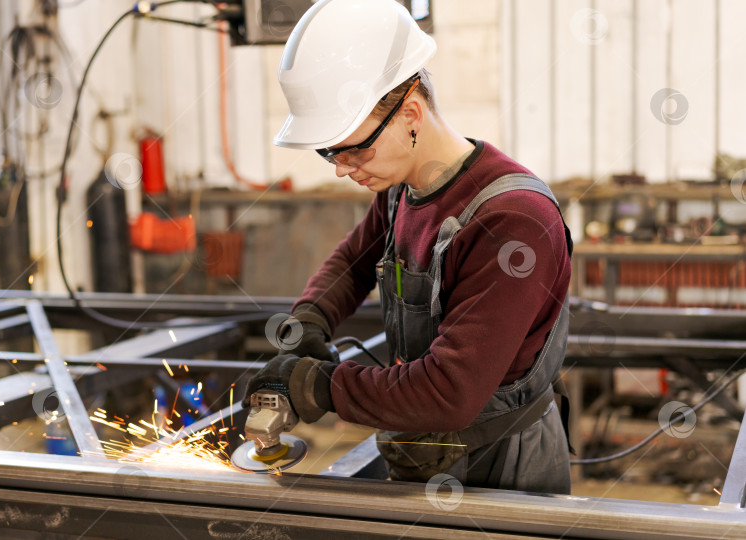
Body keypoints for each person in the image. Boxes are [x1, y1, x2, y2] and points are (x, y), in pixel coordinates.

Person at [244, 0, 573, 494]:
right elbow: (352, 261)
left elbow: (449, 391)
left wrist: (319, 386)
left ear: (411, 114)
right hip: (422, 451)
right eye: (329, 151)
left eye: (354, 148)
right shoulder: (402, 190)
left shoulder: (513, 222)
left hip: (500, 469)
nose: (340, 166)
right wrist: (309, 321)